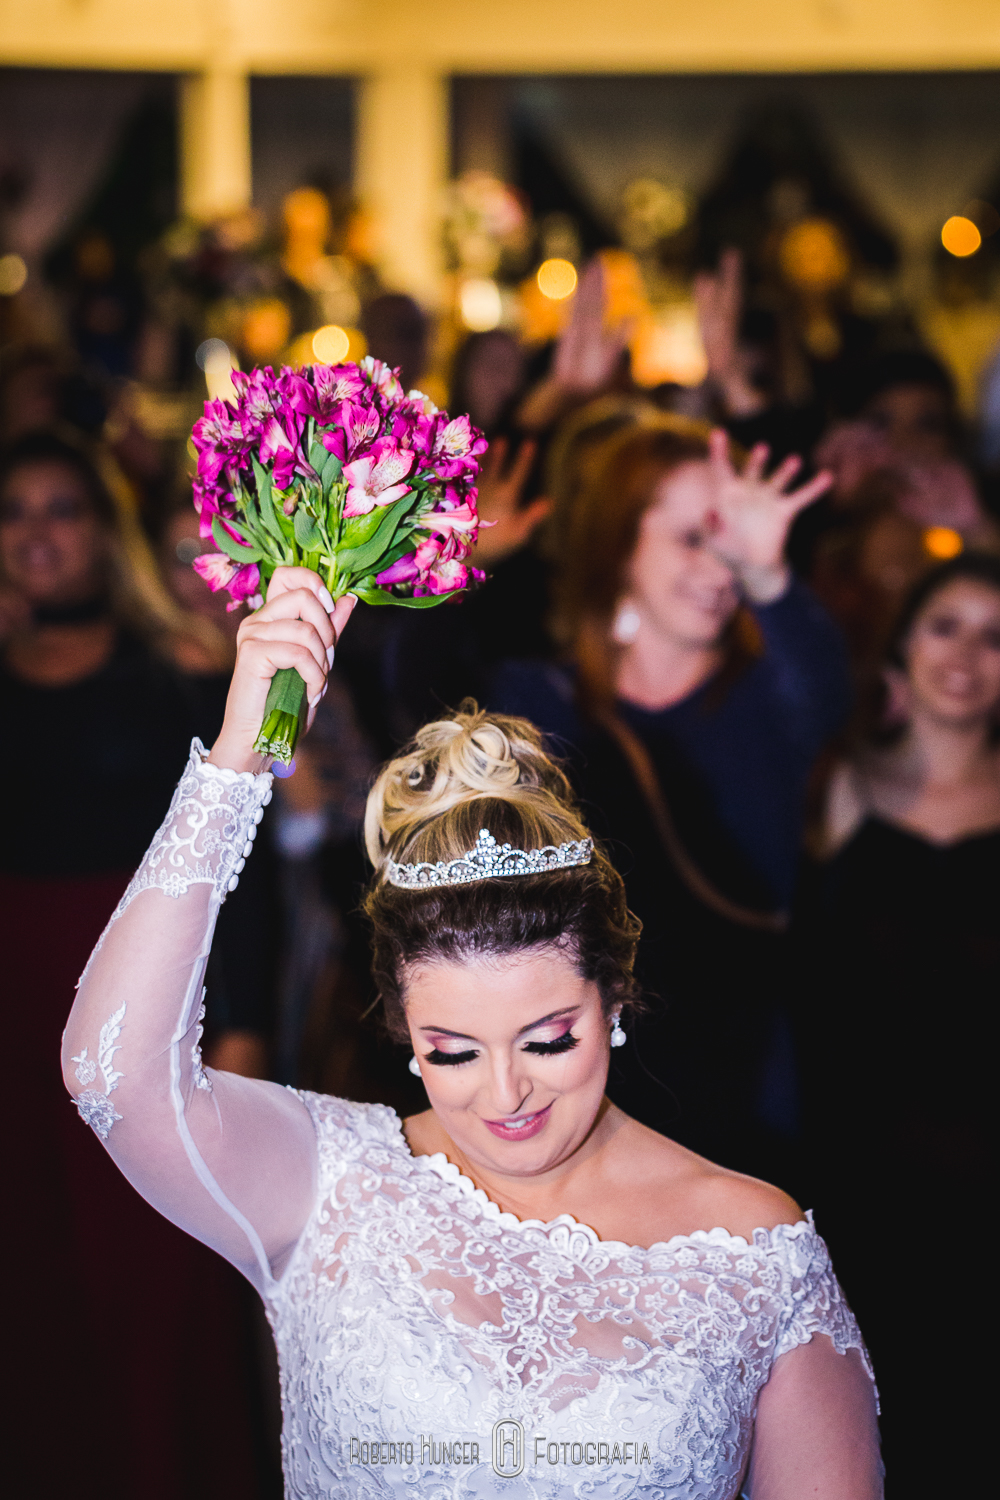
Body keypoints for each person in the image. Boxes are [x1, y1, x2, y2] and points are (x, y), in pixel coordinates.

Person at [61, 573, 881, 1497]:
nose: (503, 1096)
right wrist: (239, 758)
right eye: (452, 1050)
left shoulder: (755, 1252)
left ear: (613, 999)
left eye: (545, 1040)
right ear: (405, 1031)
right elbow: (109, 1072)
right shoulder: (325, 1186)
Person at [2, 432, 278, 1498]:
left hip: (142, 1001)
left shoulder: (176, 671)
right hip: (10, 1003)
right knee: (31, 1279)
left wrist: (241, 1025)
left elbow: (233, 867)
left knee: (156, 1270)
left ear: (101, 530)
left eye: (61, 509)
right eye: (15, 510)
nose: (37, 533)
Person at [492, 416, 849, 1174]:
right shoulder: (538, 699)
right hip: (582, 1083)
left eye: (733, 545)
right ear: (619, 541)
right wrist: (455, 569)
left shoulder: (765, 699)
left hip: (742, 1079)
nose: (720, 569)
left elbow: (826, 692)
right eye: (693, 538)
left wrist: (772, 579)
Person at [799, 553, 1000, 1492]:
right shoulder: (836, 787)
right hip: (857, 1179)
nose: (968, 654)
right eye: (946, 625)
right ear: (902, 647)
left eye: (995, 635)